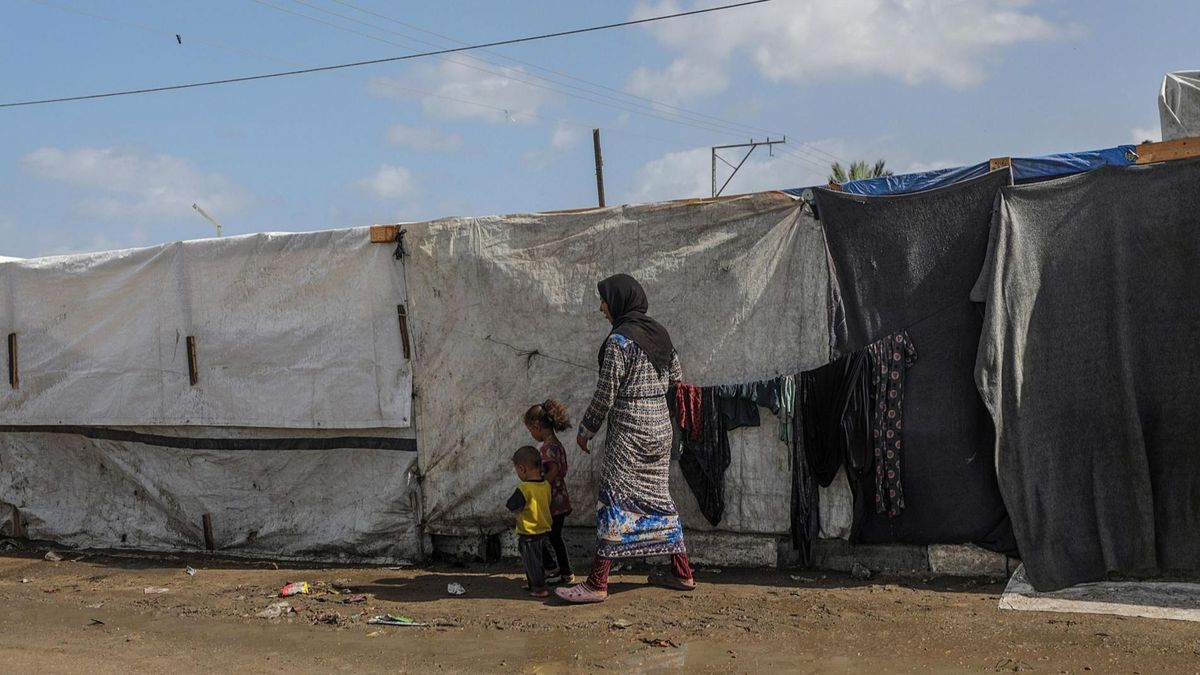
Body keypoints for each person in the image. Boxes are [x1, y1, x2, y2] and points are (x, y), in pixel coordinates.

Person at [556, 273, 696, 604]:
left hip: (630, 431)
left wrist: (586, 429)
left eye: (604, 300)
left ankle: (597, 582)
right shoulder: (660, 334)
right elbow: (677, 378)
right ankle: (682, 572)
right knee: (659, 498)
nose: (601, 307)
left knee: (614, 499)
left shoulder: (619, 341)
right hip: (660, 427)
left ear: (618, 302)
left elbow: (606, 394)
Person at [523, 400, 575, 585]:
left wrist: (541, 487)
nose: (532, 434)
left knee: (541, 535)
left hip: (552, 500)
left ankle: (557, 569)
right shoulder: (556, 444)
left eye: (531, 430)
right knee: (553, 536)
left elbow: (552, 470)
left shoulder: (548, 448)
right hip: (559, 498)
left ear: (537, 426)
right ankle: (562, 570)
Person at [505, 446, 553, 598]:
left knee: (531, 562)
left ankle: (539, 588)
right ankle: (534, 584)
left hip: (529, 532)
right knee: (536, 559)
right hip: (543, 529)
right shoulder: (546, 485)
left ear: (522, 469)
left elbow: (512, 505)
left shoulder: (524, 488)